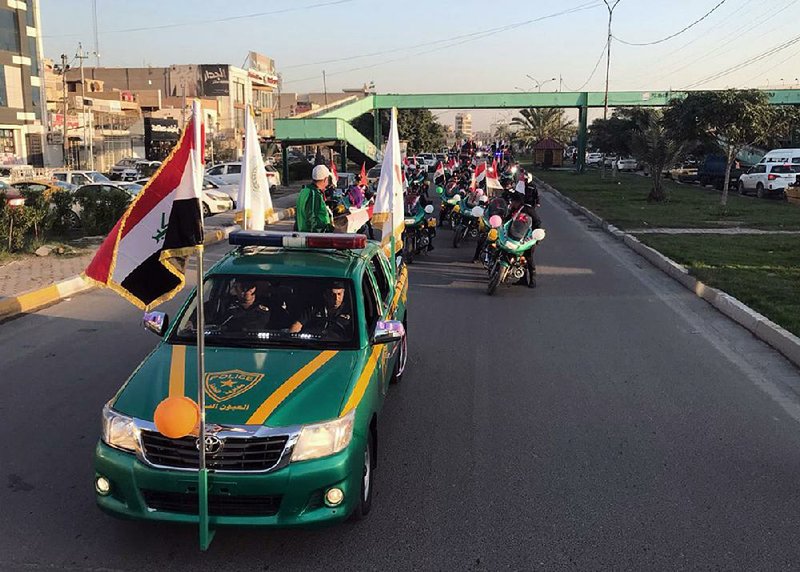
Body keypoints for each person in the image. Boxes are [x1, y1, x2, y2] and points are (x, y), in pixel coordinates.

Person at [289, 282, 353, 340]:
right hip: (314, 344)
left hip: (340, 346)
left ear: (344, 293)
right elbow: (297, 325)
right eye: (332, 294)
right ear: (325, 295)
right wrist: (292, 339)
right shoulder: (314, 308)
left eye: (339, 294)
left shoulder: (351, 310)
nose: (336, 298)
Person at [295, 164, 334, 233]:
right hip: (313, 236)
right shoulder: (313, 194)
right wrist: (327, 229)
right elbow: (312, 219)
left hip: (303, 233)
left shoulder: (304, 190)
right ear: (325, 179)